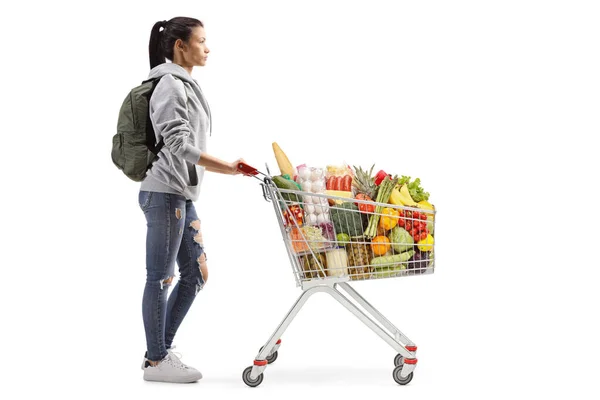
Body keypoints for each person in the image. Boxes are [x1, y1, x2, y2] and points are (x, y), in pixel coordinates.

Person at [138, 16, 245, 383]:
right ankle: (156, 361)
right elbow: (180, 144)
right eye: (201, 40)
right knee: (161, 277)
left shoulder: (182, 83)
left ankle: (160, 353)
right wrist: (228, 168)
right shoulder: (169, 83)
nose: (207, 47)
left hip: (179, 194)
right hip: (165, 192)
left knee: (196, 273)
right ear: (180, 46)